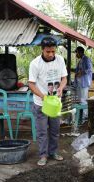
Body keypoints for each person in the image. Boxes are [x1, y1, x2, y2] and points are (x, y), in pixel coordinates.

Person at [28, 37, 68, 166]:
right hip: (41, 104)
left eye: (53, 51)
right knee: (42, 132)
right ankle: (43, 155)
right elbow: (31, 84)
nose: (51, 54)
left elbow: (64, 78)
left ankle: (53, 152)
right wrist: (43, 97)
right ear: (42, 50)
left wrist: (61, 87)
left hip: (55, 103)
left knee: (55, 130)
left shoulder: (60, 60)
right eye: (47, 52)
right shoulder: (35, 63)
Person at [74, 46, 93, 120]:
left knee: (84, 99)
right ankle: (81, 115)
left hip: (84, 83)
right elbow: (77, 71)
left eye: (76, 52)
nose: (76, 54)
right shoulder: (80, 60)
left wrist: (82, 72)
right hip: (79, 83)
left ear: (80, 52)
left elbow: (90, 69)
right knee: (80, 100)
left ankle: (85, 116)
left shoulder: (86, 59)